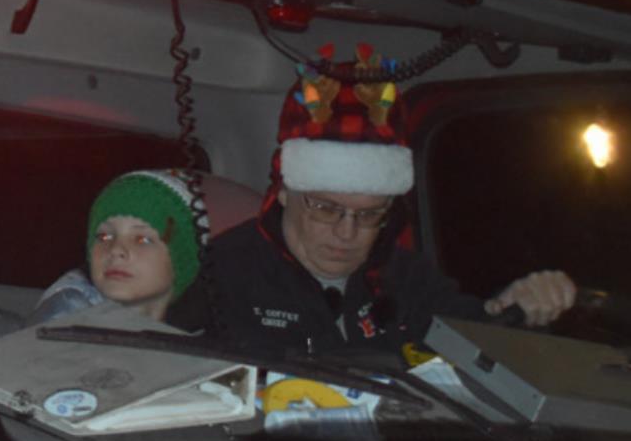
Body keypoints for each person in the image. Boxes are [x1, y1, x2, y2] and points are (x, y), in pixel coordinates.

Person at [168, 49, 578, 353]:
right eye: (325, 208)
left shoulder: (405, 277)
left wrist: (513, 307)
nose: (347, 233)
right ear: (286, 190)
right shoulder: (222, 273)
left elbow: (472, 345)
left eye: (369, 214)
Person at [27, 169, 208, 326]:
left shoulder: (195, 338)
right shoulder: (67, 314)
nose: (115, 250)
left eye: (142, 239)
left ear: (182, 259)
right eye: (104, 237)